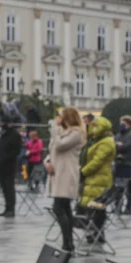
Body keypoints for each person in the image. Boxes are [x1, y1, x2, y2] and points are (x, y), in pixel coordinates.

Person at [47, 107, 86, 251]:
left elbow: (60, 146)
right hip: (58, 172)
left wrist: (55, 129)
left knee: (58, 207)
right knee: (64, 208)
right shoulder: (62, 133)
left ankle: (67, 241)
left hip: (67, 174)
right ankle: (68, 242)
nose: (59, 118)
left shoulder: (76, 133)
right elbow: (52, 149)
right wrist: (48, 163)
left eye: (62, 116)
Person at [79, 115, 116, 240]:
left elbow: (97, 161)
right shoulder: (95, 141)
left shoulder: (107, 142)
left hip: (100, 179)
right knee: (90, 207)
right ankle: (94, 233)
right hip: (92, 179)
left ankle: (98, 234)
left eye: (95, 126)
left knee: (97, 208)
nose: (92, 129)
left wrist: (82, 172)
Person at [0, 100, 24, 217]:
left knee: (9, 188)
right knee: (4, 188)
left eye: (3, 123)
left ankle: (11, 209)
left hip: (9, 166)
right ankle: (7, 208)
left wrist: (5, 158)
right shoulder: (4, 135)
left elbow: (16, 151)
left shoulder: (14, 135)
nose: (1, 125)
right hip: (1, 166)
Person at [114, 115, 131, 214]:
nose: (121, 125)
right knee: (117, 187)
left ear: (129, 124)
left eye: (123, 123)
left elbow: (127, 147)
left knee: (127, 187)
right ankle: (117, 206)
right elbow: (113, 146)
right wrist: (118, 145)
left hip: (127, 163)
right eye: (120, 123)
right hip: (118, 164)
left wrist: (119, 146)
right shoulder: (118, 135)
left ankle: (128, 208)